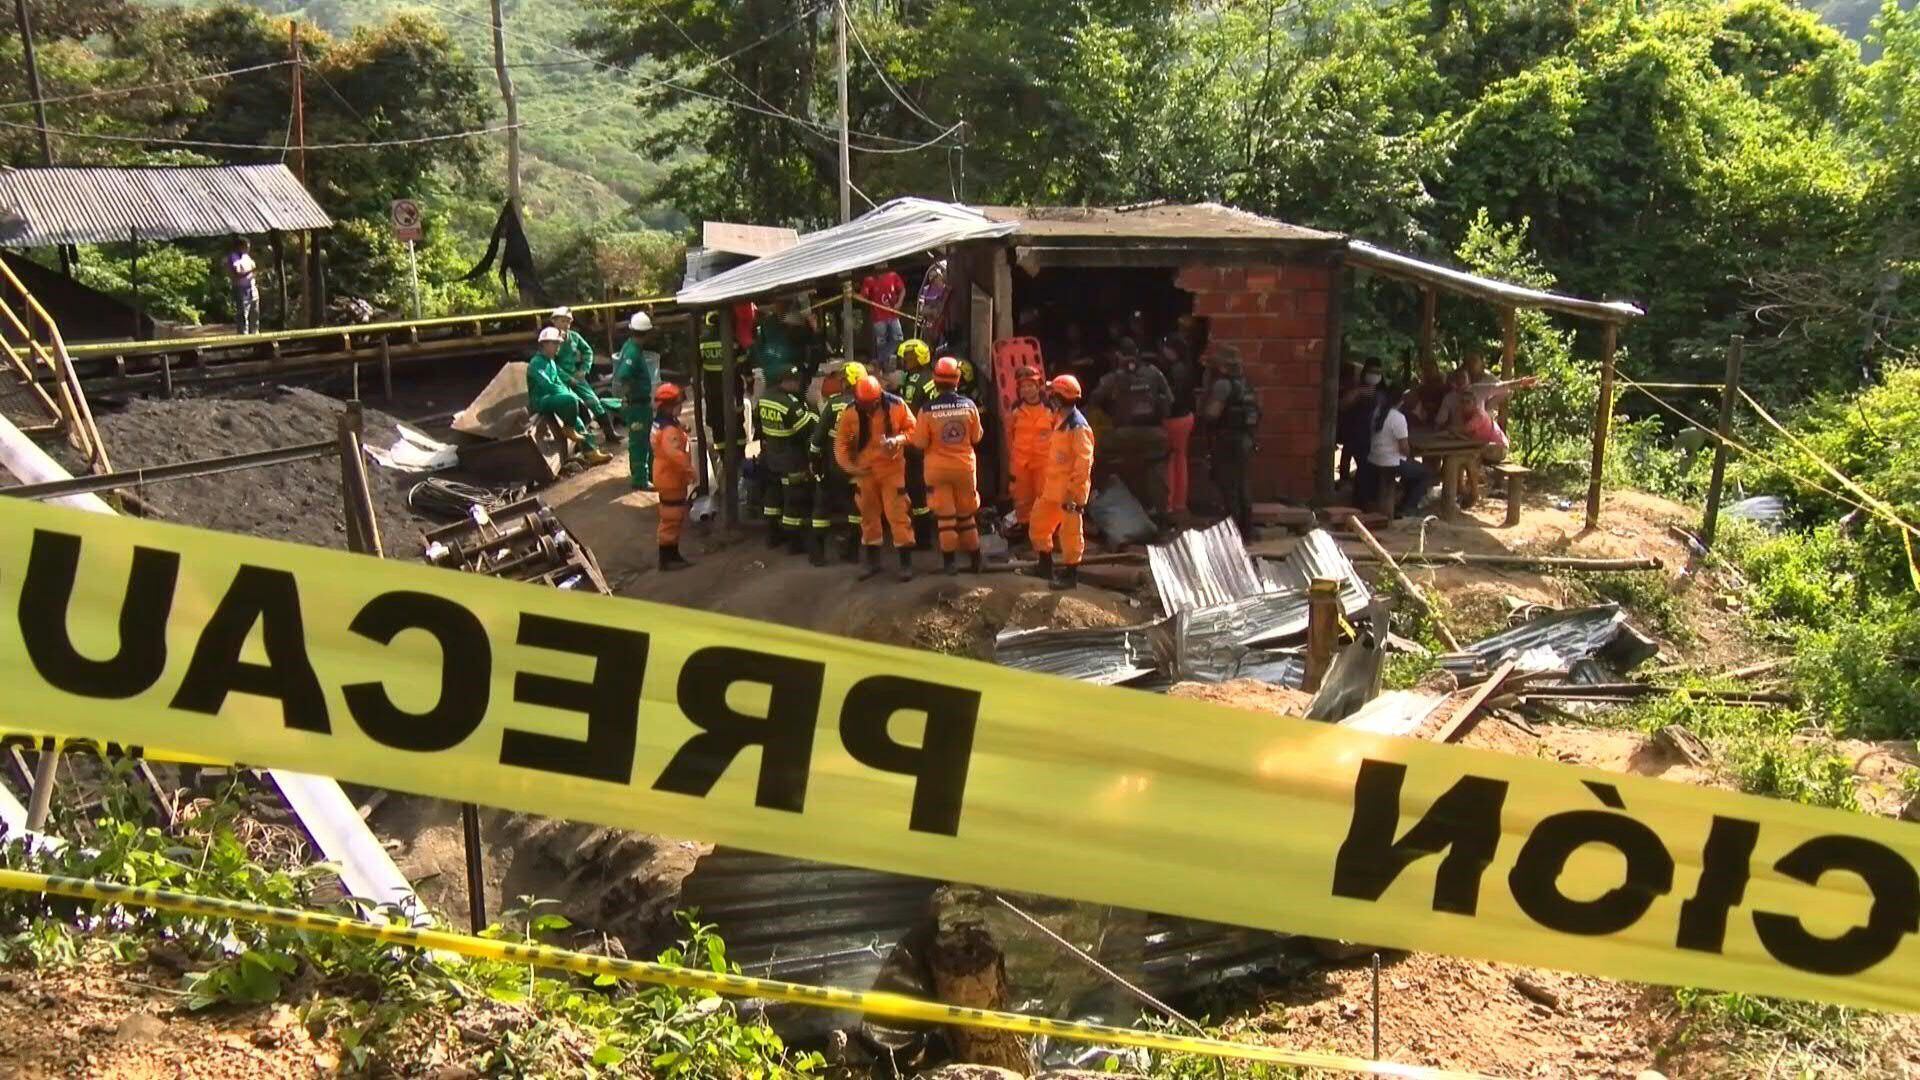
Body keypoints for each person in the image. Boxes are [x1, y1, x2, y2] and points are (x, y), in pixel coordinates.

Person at [835, 375, 917, 582]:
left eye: (870, 404)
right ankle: (873, 563)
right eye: (863, 404)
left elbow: (913, 429)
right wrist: (851, 468)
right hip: (865, 472)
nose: (867, 408)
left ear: (879, 397)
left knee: (897, 514)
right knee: (868, 517)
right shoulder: (850, 412)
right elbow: (842, 443)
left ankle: (906, 565)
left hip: (892, 469)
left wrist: (898, 440)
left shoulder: (897, 405)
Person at [910, 357, 985, 575]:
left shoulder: (926, 409)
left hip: (936, 469)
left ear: (935, 381)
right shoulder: (969, 406)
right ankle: (976, 561)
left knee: (945, 518)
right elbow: (976, 437)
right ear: (958, 380)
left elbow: (920, 442)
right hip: (964, 468)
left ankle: (950, 564)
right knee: (966, 516)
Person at [1090, 338, 1173, 521]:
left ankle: (1100, 503)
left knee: (1091, 456)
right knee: (1156, 472)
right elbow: (1169, 401)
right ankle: (1161, 516)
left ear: (1118, 355)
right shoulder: (1154, 373)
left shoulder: (1113, 377)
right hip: (1154, 435)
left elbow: (1094, 400)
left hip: (1123, 436)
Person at [1030, 375, 1094, 591]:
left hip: (1069, 491)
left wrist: (1074, 492)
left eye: (1052, 394)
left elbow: (1084, 463)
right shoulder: (1060, 419)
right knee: (1039, 523)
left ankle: (1070, 575)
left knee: (1070, 533)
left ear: (1058, 397)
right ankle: (1044, 565)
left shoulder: (1078, 427)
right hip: (1053, 487)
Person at [1201, 345, 1261, 538]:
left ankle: (1232, 531)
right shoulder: (1246, 384)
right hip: (1246, 438)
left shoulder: (1223, 385)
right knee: (1243, 483)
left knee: (1227, 485)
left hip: (1228, 439)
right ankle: (1247, 529)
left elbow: (1212, 414)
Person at [527, 327, 611, 466]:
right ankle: (568, 428)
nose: (558, 346)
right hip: (541, 400)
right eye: (555, 343)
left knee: (577, 419)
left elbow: (558, 382)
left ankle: (591, 452)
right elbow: (547, 385)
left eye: (559, 343)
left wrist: (567, 394)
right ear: (545, 344)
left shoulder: (551, 361)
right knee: (570, 400)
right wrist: (566, 395)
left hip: (553, 398)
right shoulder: (536, 363)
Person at [810, 360, 866, 566]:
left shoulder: (833, 405)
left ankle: (818, 554)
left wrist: (814, 460)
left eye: (842, 380)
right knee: (855, 508)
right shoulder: (869, 404)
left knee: (822, 507)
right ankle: (852, 551)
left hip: (832, 465)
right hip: (857, 466)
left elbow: (818, 438)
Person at [756, 365, 817, 553]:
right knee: (794, 498)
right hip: (790, 457)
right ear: (787, 382)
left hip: (771, 455)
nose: (799, 385)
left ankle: (772, 536)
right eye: (796, 381)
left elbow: (758, 423)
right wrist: (815, 412)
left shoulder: (765, 398)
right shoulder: (789, 404)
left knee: (773, 496)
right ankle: (795, 543)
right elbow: (807, 429)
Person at [1359, 385, 1432, 518]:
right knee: (1425, 473)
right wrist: (1410, 456)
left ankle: (1401, 503)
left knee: (1412, 470)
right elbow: (1404, 448)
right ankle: (1408, 508)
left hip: (1374, 458)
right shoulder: (1398, 418)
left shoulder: (1377, 412)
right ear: (1401, 401)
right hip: (1391, 462)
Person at [550, 307, 619, 446]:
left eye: (568, 322)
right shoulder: (550, 339)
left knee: (594, 401)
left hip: (577, 376)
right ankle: (584, 442)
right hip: (559, 379)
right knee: (575, 406)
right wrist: (567, 378)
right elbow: (550, 363)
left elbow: (588, 352)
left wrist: (584, 369)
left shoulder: (574, 337)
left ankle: (610, 433)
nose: (565, 325)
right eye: (562, 321)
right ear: (554, 321)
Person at [612, 312, 661, 490]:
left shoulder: (629, 346)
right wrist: (627, 397)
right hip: (637, 404)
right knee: (639, 441)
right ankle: (640, 479)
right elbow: (624, 375)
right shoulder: (633, 351)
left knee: (644, 440)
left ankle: (647, 474)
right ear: (647, 333)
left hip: (638, 403)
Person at [896, 338, 937, 546]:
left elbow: (932, 409)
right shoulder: (909, 377)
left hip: (920, 442)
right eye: (905, 357)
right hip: (910, 440)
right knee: (913, 487)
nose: (906, 360)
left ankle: (924, 537)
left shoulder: (928, 380)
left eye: (910, 356)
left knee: (919, 487)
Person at [1007, 365, 1052, 543]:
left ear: (1038, 386)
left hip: (1044, 463)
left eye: (1030, 385)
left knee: (1045, 499)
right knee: (1022, 499)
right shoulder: (1016, 410)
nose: (1027, 389)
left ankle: (1047, 533)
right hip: (1021, 463)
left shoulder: (1051, 408)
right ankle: (1025, 531)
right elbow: (1010, 433)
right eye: (1023, 386)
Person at [651, 384, 694, 570]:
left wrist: (682, 429)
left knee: (673, 517)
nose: (681, 406)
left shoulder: (662, 423)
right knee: (672, 517)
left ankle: (672, 554)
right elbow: (674, 454)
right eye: (678, 403)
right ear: (669, 406)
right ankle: (667, 558)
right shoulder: (669, 430)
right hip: (671, 478)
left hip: (666, 475)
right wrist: (690, 470)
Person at [1156, 335, 1200, 515]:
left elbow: (1170, 398)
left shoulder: (1174, 370)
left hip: (1173, 419)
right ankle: (1179, 503)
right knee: (1181, 459)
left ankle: (1168, 503)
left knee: (1169, 461)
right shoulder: (1188, 367)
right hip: (1186, 417)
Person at [1338, 359, 1383, 484]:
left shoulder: (1382, 391)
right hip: (1353, 433)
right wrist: (1357, 392)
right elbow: (1342, 406)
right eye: (1371, 371)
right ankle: (1345, 481)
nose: (1374, 374)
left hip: (1373, 437)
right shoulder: (1355, 389)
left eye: (1377, 371)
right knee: (1347, 458)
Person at [861, 262, 908, 365]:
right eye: (878, 264)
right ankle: (883, 365)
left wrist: (899, 303)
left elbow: (902, 290)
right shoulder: (869, 279)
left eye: (883, 264)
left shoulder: (893, 275)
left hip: (893, 314)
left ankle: (880, 360)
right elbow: (864, 296)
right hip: (878, 317)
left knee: (898, 338)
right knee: (881, 342)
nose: (881, 266)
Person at [226, 238, 260, 335]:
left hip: (251, 286)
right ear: (240, 246)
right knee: (243, 312)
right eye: (246, 247)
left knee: (255, 311)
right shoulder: (233, 257)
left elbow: (253, 268)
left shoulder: (246, 256)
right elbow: (237, 273)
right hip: (241, 288)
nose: (248, 249)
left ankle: (255, 332)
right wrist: (251, 271)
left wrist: (255, 271)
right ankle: (243, 334)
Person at [914, 259, 949, 344]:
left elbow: (941, 309)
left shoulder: (946, 291)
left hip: (942, 325)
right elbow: (921, 309)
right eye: (930, 276)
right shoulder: (926, 290)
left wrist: (935, 311)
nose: (932, 279)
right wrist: (930, 311)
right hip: (928, 325)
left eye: (935, 276)